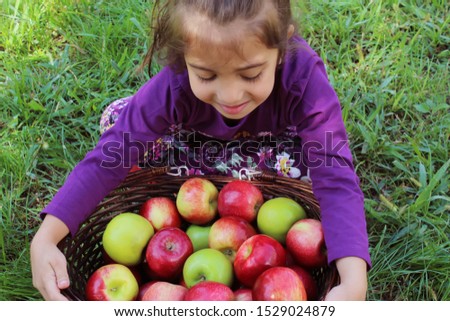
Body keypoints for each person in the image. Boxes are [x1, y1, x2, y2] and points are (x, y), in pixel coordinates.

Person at [31, 0, 371, 301]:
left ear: (281, 49)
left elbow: (334, 171)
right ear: (183, 57)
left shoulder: (303, 77)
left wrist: (353, 277)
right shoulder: (174, 83)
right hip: (197, 144)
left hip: (270, 150)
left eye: (251, 74)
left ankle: (220, 173)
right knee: (119, 122)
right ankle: (221, 171)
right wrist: (47, 237)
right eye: (206, 76)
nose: (230, 96)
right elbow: (112, 153)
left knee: (311, 163)